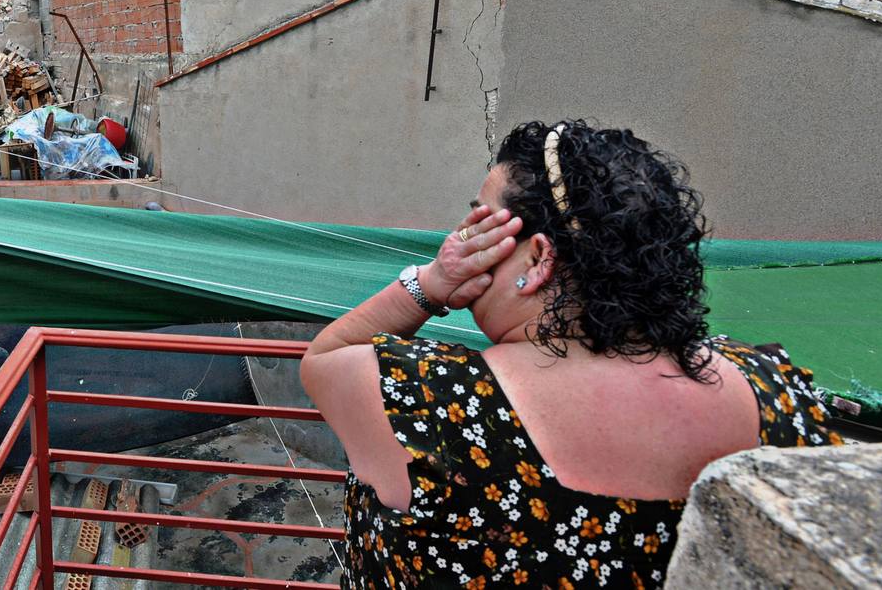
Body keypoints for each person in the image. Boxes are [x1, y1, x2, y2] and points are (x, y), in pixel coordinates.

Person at [301, 120, 841, 589]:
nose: (462, 239)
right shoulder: (776, 391)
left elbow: (327, 356)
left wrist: (431, 283)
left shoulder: (434, 403)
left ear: (538, 259)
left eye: (480, 225)